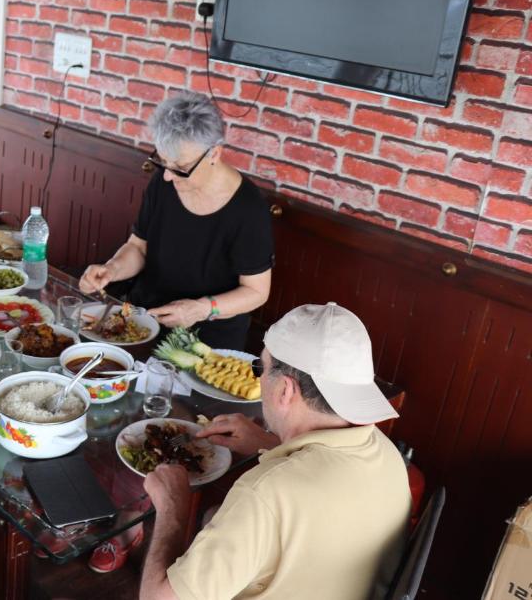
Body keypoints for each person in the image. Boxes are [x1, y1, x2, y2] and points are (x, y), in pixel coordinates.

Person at [139, 303, 410, 600]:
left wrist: (172, 510)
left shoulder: (265, 493)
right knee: (216, 517)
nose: (258, 376)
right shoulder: (387, 454)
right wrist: (270, 443)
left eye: (260, 368)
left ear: (285, 390)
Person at [79, 93, 273, 350]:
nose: (168, 177)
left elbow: (257, 292)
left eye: (180, 167)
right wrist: (112, 269)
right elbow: (138, 247)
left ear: (214, 153)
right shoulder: (163, 180)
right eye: (163, 162)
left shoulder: (248, 209)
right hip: (144, 323)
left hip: (207, 341)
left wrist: (202, 309)